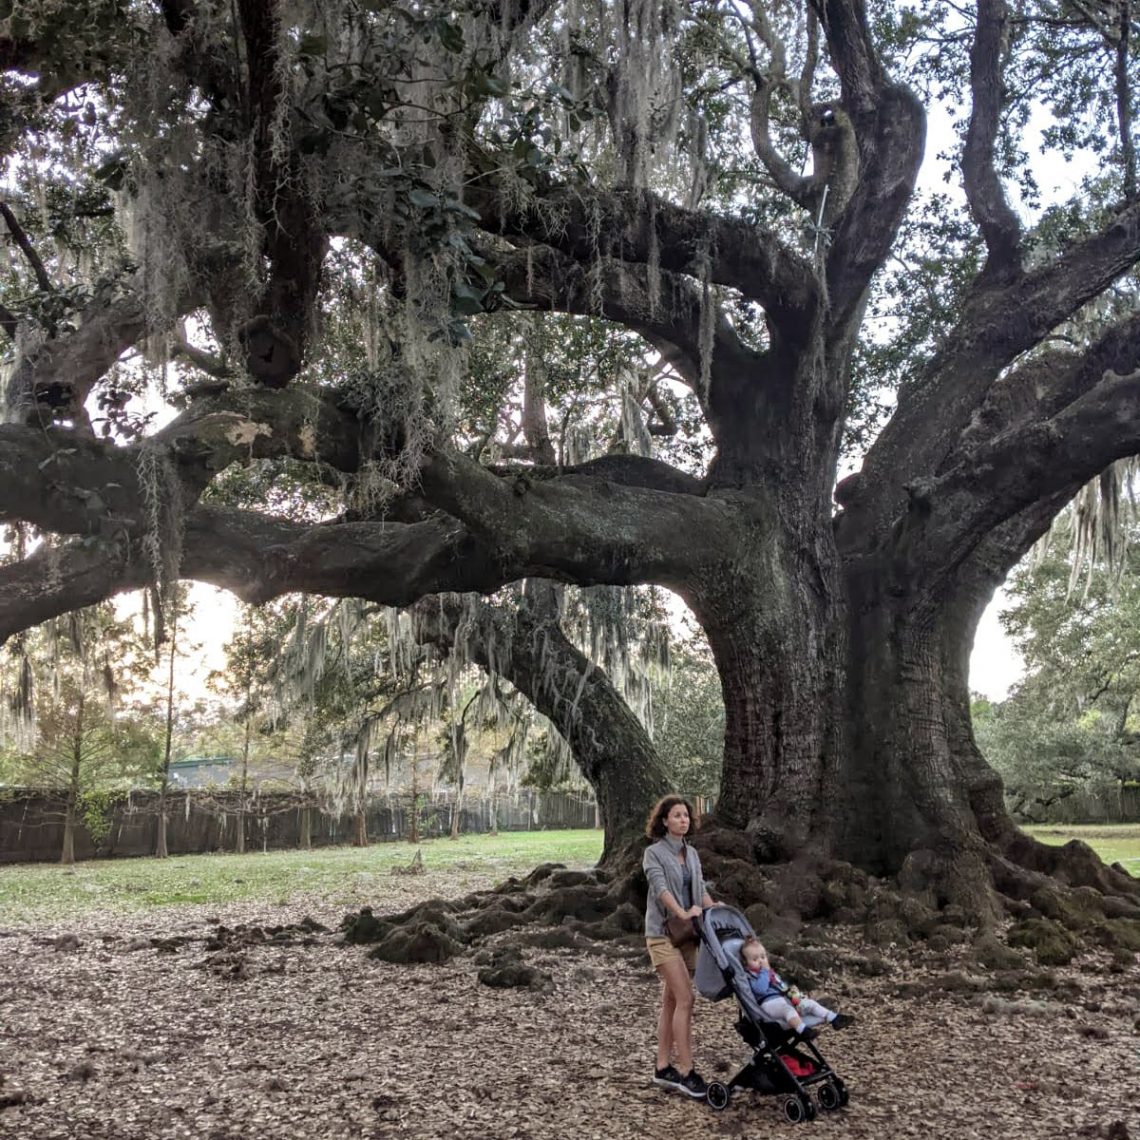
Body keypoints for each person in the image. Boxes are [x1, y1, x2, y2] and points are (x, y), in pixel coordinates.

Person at [643, 794, 716, 1098]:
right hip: (662, 934)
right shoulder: (653, 854)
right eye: (676, 815)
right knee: (686, 999)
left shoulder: (694, 855)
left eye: (686, 815)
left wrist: (715, 907)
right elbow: (661, 890)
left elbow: (700, 890)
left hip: (688, 935)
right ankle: (686, 1072)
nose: (683, 820)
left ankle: (662, 1067)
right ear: (664, 821)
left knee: (672, 1002)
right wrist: (682, 912)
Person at [739, 936, 855, 1037]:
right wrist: (764, 972)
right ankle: (802, 1030)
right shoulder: (750, 976)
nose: (760, 961)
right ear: (746, 963)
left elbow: (781, 986)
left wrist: (791, 992)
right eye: (755, 959)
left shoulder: (770, 973)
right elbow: (761, 989)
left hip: (784, 999)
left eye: (763, 957)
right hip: (768, 1005)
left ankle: (834, 1018)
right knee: (787, 1010)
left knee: (809, 1003)